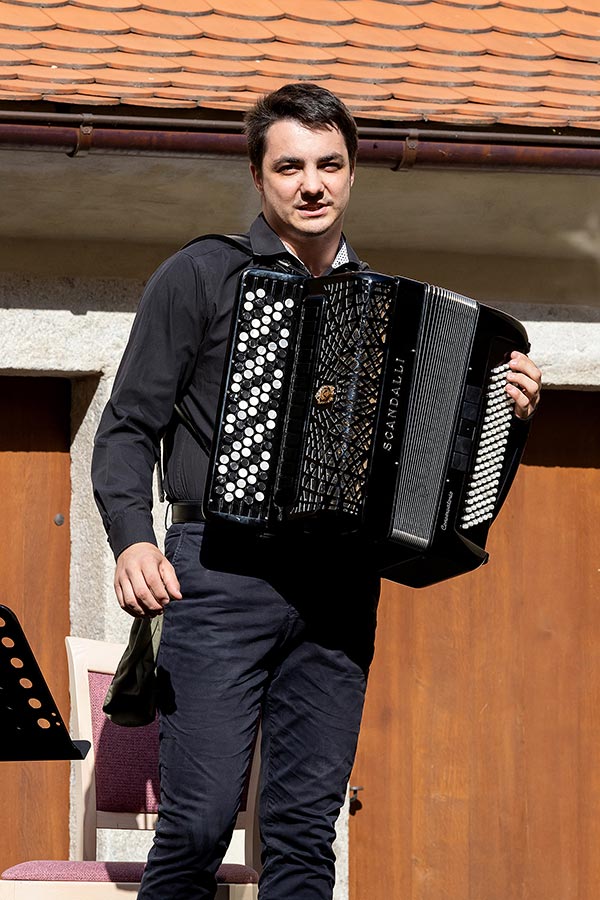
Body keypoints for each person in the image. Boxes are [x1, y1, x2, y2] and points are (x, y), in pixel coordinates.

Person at [92, 83, 542, 900]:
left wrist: (500, 410)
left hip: (337, 587)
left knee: (305, 829)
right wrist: (132, 538)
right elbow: (126, 425)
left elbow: (438, 461)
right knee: (196, 822)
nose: (312, 183)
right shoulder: (201, 274)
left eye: (330, 165)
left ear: (353, 174)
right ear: (259, 176)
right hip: (219, 572)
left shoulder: (390, 310)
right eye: (290, 165)